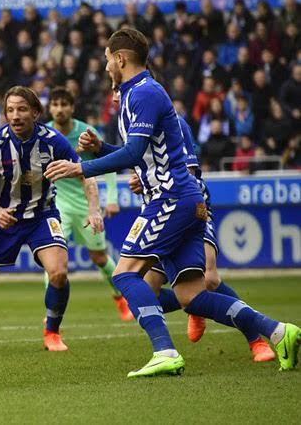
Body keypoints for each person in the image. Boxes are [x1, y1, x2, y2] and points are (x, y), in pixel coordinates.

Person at [44, 28, 299, 377]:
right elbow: (142, 155)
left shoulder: (143, 93)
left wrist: (81, 166)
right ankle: (278, 332)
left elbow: (135, 152)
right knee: (192, 295)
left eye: (107, 59)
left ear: (120, 58)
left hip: (170, 199)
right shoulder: (137, 93)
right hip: (185, 199)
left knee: (124, 274)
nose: (105, 67)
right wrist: (101, 149)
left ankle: (164, 350)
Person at [0, 86, 103, 353]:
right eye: (10, 110)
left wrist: (94, 209)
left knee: (59, 273)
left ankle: (52, 331)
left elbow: (85, 173)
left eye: (21, 109)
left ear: (36, 112)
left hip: (41, 215)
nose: (15, 116)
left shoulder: (54, 142)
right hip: (3, 219)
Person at [138, 114, 275, 362]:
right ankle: (192, 303)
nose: (117, 96)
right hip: (159, 211)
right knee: (144, 290)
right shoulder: (131, 124)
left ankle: (256, 338)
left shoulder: (174, 122)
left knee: (210, 279)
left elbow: (188, 172)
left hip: (190, 206)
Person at [46, 88, 132, 321]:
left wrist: (112, 198)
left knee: (99, 258)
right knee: (53, 259)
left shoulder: (86, 132)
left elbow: (109, 163)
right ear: (49, 107)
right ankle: (50, 311)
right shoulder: (45, 134)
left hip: (87, 202)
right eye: (55, 104)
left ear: (72, 107)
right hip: (57, 204)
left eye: (64, 104)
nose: (59, 109)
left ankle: (120, 297)